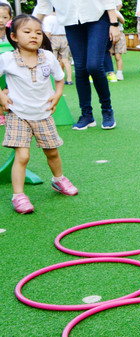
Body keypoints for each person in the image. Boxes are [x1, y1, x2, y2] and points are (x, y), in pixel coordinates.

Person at [1, 15, 78, 214]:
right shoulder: (7, 59)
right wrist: (1, 96)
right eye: (27, 32)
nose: (34, 35)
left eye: (38, 32)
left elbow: (60, 79)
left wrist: (57, 94)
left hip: (43, 114)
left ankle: (58, 180)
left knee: (52, 151)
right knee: (23, 156)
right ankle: (19, 195)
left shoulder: (48, 57)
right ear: (14, 36)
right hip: (18, 114)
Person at [35, 0, 121, 131]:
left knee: (94, 66)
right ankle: (86, 115)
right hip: (71, 21)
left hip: (98, 18)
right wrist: (28, 25)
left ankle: (107, 110)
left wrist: (114, 23)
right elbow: (43, 6)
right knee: (80, 68)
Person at [41, 8, 72, 85]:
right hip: (65, 38)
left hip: (53, 38)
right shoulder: (64, 17)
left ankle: (53, 79)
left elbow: (48, 33)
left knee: (52, 59)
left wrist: (45, 44)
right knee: (66, 60)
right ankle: (69, 79)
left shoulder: (48, 19)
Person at [108, 2, 125, 80]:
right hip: (109, 36)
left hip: (120, 34)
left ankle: (119, 73)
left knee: (118, 56)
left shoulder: (117, 12)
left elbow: (123, 21)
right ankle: (110, 72)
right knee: (109, 55)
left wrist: (117, 16)